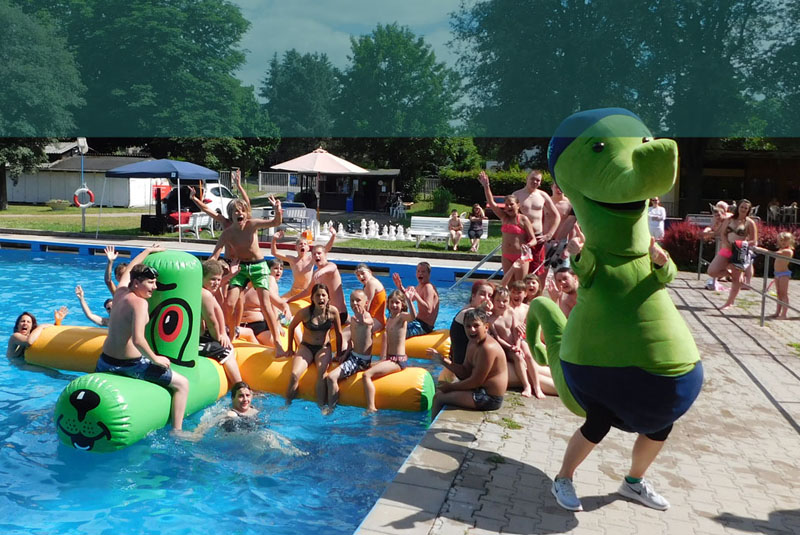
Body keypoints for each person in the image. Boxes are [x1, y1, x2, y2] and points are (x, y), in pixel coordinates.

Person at [95, 245, 190, 434]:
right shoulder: (139, 303)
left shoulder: (121, 291)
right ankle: (177, 431)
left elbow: (130, 267)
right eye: (151, 283)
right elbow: (138, 339)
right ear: (137, 282)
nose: (154, 287)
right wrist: (156, 359)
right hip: (129, 365)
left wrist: (148, 251)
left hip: (104, 362)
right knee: (183, 384)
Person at [211, 197, 285, 354]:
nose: (240, 213)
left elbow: (275, 223)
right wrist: (204, 268)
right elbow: (214, 255)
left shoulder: (252, 225)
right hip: (240, 268)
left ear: (247, 213)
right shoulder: (227, 234)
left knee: (265, 305)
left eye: (242, 210)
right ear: (230, 215)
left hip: (258, 267)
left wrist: (278, 210)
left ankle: (277, 342)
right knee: (229, 304)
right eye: (236, 211)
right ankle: (231, 334)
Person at [479, 169, 560, 284]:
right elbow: (494, 205)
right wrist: (486, 186)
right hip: (519, 238)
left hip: (536, 238)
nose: (535, 182)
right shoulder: (516, 195)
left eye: (538, 180)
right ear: (527, 178)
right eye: (533, 179)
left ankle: (533, 299)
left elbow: (556, 216)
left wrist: (549, 235)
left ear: (540, 182)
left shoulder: (542, 195)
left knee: (536, 276)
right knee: (513, 281)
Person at [430, 308, 508, 417]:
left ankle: (430, 432)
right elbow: (465, 372)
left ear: (486, 327)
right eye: (468, 326)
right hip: (479, 390)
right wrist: (442, 360)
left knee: (439, 399)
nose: (472, 330)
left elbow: (476, 381)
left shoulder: (488, 348)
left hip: (489, 398)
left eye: (476, 326)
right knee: (439, 393)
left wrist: (450, 387)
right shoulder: (472, 343)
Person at [285, 283, 343, 409]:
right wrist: (290, 348)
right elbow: (291, 327)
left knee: (322, 374)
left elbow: (339, 333)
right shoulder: (305, 312)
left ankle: (321, 405)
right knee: (295, 374)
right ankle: (287, 403)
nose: (321, 298)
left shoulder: (333, 312)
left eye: (323, 295)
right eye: (317, 295)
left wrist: (338, 354)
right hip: (306, 347)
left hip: (323, 348)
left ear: (328, 298)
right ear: (312, 298)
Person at [362, 289, 416, 413]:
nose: (394, 305)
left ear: (402, 305)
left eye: (397, 303)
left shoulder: (402, 317)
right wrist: (383, 359)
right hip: (390, 359)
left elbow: (413, 316)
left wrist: (408, 298)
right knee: (365, 366)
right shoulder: (390, 319)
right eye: (392, 302)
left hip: (397, 361)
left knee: (367, 375)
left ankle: (371, 407)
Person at [323, 289, 374, 412]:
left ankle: (331, 408)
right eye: (352, 300)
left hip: (360, 361)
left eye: (358, 300)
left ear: (366, 303)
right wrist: (345, 355)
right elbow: (352, 341)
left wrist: (362, 320)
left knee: (331, 378)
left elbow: (369, 322)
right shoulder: (353, 319)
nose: (355, 303)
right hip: (353, 355)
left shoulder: (366, 317)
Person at [199, 259, 243, 384]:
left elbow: (218, 310)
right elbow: (212, 322)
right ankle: (239, 386)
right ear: (202, 277)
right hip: (196, 342)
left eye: (219, 279)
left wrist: (223, 332)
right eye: (213, 279)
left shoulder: (207, 291)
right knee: (227, 351)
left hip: (204, 335)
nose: (217, 283)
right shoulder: (204, 294)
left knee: (228, 338)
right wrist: (219, 339)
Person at [489, 286, 536, 398]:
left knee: (529, 355)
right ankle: (527, 385)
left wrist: (518, 345)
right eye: (498, 301)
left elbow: (516, 332)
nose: (501, 304)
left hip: (516, 344)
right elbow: (497, 338)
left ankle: (537, 386)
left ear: (509, 301)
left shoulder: (510, 312)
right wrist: (511, 347)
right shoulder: (491, 319)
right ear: (493, 301)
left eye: (505, 301)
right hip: (506, 348)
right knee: (518, 357)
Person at [288, 246, 349, 328]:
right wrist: (289, 300)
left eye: (319, 253)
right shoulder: (316, 273)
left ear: (325, 254)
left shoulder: (330, 268)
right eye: (314, 254)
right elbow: (307, 292)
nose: (317, 256)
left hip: (337, 314)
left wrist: (321, 271)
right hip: (325, 313)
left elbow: (333, 267)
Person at [716, 199, 758, 310]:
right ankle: (731, 274)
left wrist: (741, 244)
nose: (743, 209)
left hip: (740, 251)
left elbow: (754, 240)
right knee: (712, 271)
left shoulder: (750, 222)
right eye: (742, 207)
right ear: (738, 207)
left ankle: (729, 302)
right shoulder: (729, 219)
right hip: (726, 249)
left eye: (746, 208)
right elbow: (722, 233)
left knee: (736, 279)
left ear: (748, 210)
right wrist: (726, 242)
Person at [271, 229, 336, 298]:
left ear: (308, 248)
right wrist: (274, 239)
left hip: (307, 292)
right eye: (300, 244)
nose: (302, 245)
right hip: (294, 292)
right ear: (296, 247)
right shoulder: (292, 260)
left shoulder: (311, 259)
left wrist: (333, 236)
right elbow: (274, 253)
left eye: (305, 244)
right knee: (277, 304)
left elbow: (326, 249)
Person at [449, 281, 495, 366]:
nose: (487, 299)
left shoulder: (475, 310)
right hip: (464, 366)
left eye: (490, 296)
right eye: (482, 294)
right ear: (473, 296)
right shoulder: (467, 313)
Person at [392, 262, 439, 338]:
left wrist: (416, 294)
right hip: (416, 322)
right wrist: (401, 287)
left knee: (396, 331)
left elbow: (428, 310)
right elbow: (407, 299)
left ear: (429, 274)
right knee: (393, 323)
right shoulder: (419, 286)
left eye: (423, 272)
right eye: (418, 271)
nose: (420, 274)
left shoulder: (428, 287)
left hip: (424, 326)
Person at [756, 232, 795, 319]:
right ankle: (777, 312)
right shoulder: (781, 249)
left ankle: (784, 314)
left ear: (790, 241)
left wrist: (762, 250)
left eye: (785, 240)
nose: (783, 242)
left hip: (784, 274)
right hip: (777, 274)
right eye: (781, 240)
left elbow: (773, 254)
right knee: (779, 294)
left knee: (784, 294)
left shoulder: (788, 251)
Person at [355, 263, 386, 332]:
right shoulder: (370, 283)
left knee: (356, 333)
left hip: (376, 321)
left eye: (363, 273)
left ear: (370, 272)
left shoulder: (371, 283)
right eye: (358, 275)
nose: (361, 277)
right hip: (377, 319)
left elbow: (366, 305)